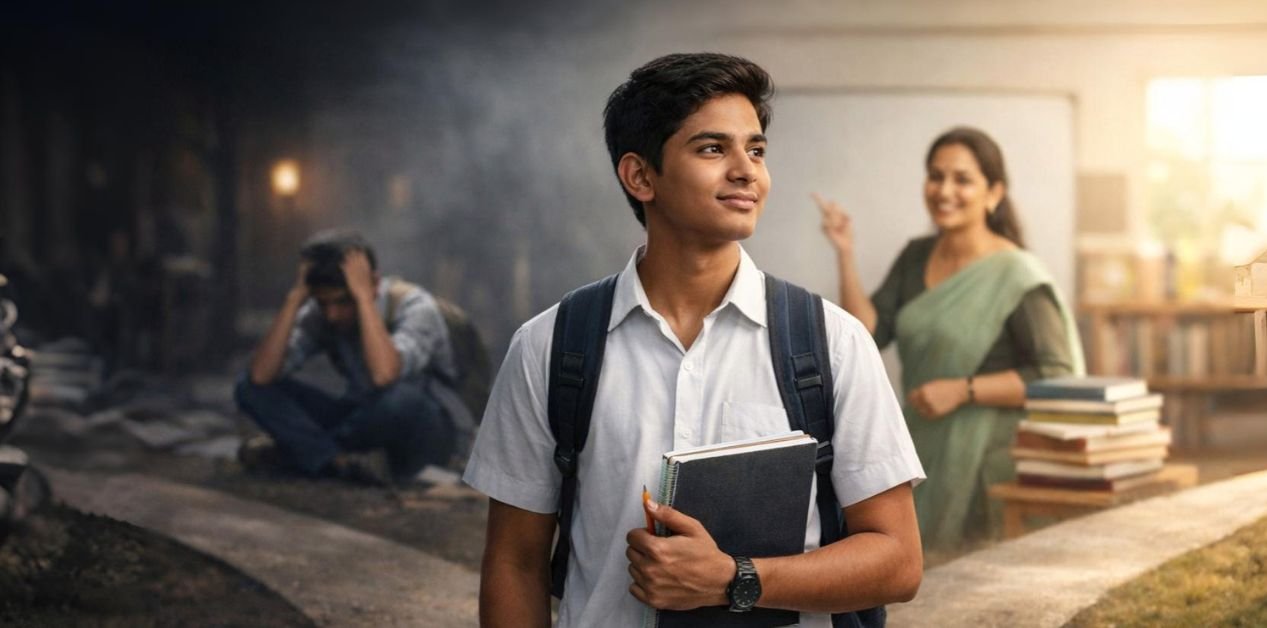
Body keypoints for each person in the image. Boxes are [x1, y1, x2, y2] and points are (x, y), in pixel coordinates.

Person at [464, 53, 925, 628]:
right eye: (713, 149)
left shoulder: (829, 343)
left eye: (755, 150)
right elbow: (515, 563)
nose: (746, 171)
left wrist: (736, 579)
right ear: (640, 175)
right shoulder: (552, 347)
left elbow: (899, 561)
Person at [814, 126, 1085, 550]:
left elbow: (1057, 376)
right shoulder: (916, 256)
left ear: (994, 193)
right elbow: (867, 334)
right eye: (935, 176)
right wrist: (845, 252)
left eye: (962, 179)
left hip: (987, 461)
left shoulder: (1017, 275)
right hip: (918, 450)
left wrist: (963, 390)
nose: (944, 190)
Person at [235, 229, 458, 484]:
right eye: (324, 304)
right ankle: (336, 460)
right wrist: (295, 298)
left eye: (343, 302)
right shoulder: (321, 314)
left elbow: (384, 375)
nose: (332, 315)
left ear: (373, 283)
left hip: (424, 426)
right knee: (249, 388)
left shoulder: (415, 306)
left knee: (398, 400)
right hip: (362, 420)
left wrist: (364, 300)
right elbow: (261, 376)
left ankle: (303, 453)